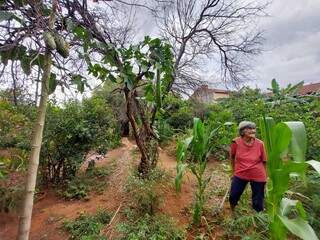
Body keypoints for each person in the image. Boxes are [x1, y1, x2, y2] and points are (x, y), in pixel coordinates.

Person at [229, 121, 267, 212]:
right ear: (242, 132)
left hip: (257, 174)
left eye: (254, 128)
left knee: (258, 202)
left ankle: (258, 219)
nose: (253, 130)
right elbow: (232, 157)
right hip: (241, 172)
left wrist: (266, 176)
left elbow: (264, 161)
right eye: (249, 129)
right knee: (233, 196)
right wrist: (233, 172)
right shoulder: (236, 142)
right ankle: (232, 212)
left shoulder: (260, 144)